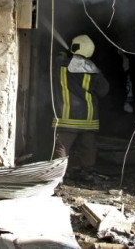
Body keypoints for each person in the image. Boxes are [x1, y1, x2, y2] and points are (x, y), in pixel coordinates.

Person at [51, 34, 109, 180]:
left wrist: (62, 54)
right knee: (88, 145)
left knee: (62, 145)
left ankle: (57, 176)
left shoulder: (61, 64)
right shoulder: (93, 69)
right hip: (88, 117)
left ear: (74, 47)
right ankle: (88, 172)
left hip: (67, 115)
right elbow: (103, 91)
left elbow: (56, 62)